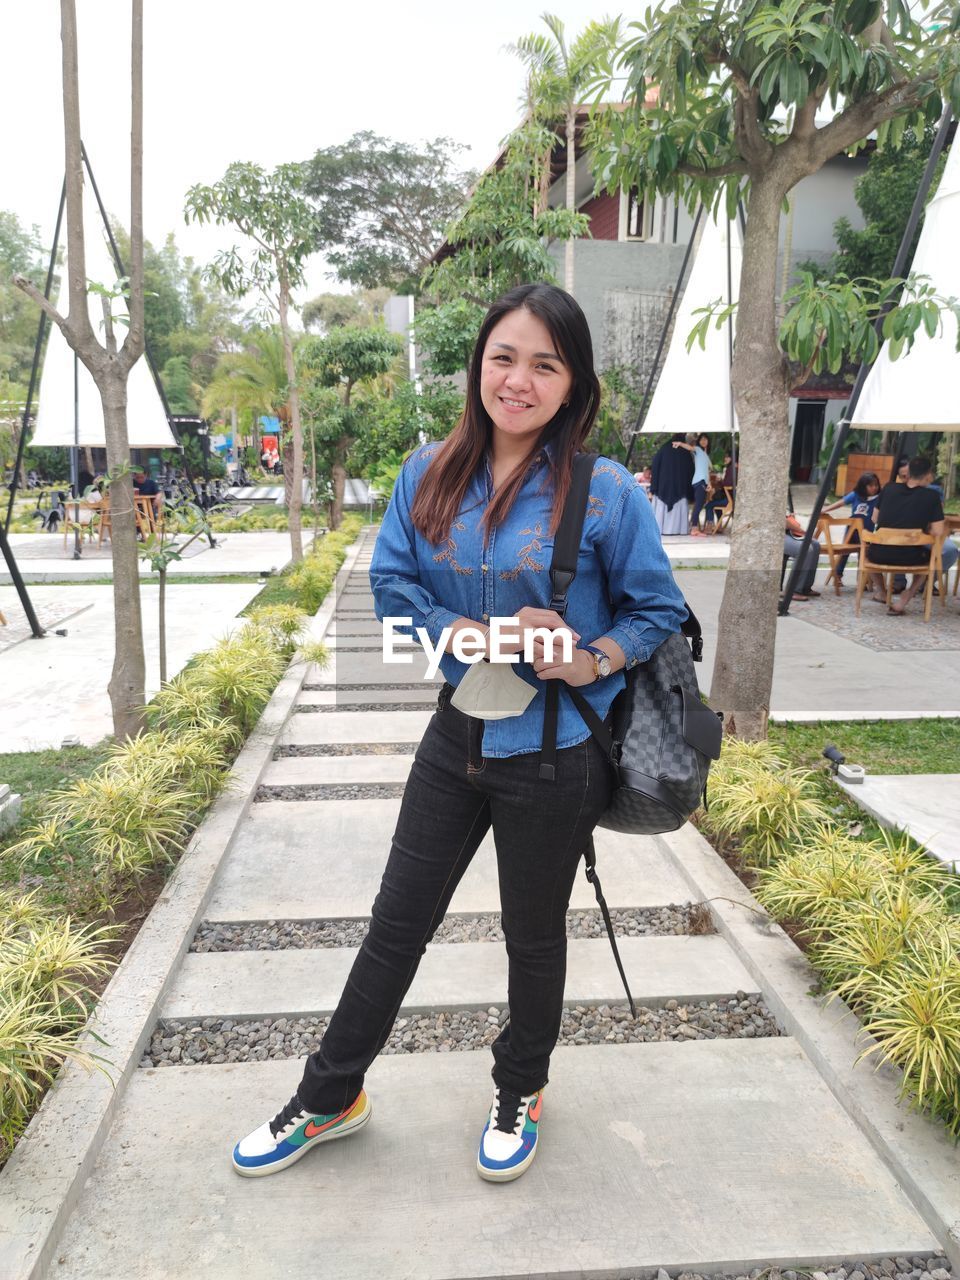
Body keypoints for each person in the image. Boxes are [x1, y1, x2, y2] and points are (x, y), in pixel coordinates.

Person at [232, 283, 688, 1183]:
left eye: (544, 364)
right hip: (459, 733)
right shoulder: (424, 472)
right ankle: (330, 1097)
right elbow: (393, 599)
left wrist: (590, 658)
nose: (518, 380)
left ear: (572, 383)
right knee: (395, 925)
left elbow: (658, 611)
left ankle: (521, 1087)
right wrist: (468, 635)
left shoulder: (603, 494)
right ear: (479, 365)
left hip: (558, 752)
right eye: (503, 358)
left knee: (533, 936)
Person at [866, 456, 958, 615]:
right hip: (911, 556)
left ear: (908, 474)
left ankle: (882, 592)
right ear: (928, 474)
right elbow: (937, 531)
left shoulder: (888, 488)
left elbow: (874, 519)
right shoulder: (932, 496)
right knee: (931, 557)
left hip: (878, 555)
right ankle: (906, 597)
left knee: (867, 552)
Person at [822, 471, 880, 588]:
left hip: (867, 532)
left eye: (876, 485)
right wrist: (825, 510)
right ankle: (837, 575)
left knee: (864, 554)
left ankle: (862, 579)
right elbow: (840, 503)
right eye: (871, 485)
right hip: (852, 530)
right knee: (844, 553)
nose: (874, 488)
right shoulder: (856, 495)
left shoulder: (878, 498)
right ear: (863, 486)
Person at [649, 433, 694, 535]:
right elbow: (690, 470)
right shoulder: (685, 452)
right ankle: (680, 530)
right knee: (679, 504)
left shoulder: (663, 449)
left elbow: (655, 467)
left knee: (661, 508)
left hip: (663, 486)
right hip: (681, 487)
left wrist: (654, 486)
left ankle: (661, 529)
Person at [672, 434, 712, 535]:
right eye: (701, 439)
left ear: (708, 441)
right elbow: (690, 447)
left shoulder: (706, 455)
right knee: (698, 506)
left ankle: (694, 527)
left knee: (699, 505)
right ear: (699, 441)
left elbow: (707, 471)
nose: (703, 441)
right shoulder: (698, 450)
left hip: (703, 482)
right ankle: (694, 529)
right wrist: (680, 443)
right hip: (699, 481)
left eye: (705, 439)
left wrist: (709, 483)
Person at [783, 511, 822, 600]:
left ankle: (805, 587)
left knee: (815, 544)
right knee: (805, 549)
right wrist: (801, 530)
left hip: (787, 531)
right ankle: (792, 590)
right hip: (772, 534)